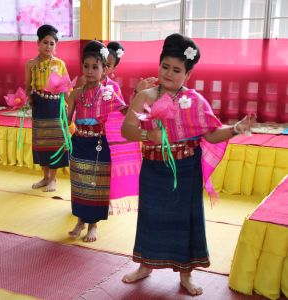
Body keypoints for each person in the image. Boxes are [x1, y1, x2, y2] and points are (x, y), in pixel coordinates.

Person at [120, 33, 255, 296]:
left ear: (188, 75)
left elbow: (211, 133)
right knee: (150, 217)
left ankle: (186, 274)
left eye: (176, 70)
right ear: (158, 65)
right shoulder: (145, 96)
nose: (169, 73)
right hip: (153, 168)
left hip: (186, 169)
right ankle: (145, 265)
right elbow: (127, 129)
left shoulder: (195, 100)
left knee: (187, 221)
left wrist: (236, 129)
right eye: (165, 66)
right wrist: (148, 135)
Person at [66, 40, 127, 242]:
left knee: (95, 185)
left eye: (95, 67)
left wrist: (140, 95)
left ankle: (93, 225)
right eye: (86, 66)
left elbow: (125, 111)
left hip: (100, 145)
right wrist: (61, 99)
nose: (90, 71)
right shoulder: (76, 93)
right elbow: (66, 120)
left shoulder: (109, 93)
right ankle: (80, 221)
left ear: (104, 70)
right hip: (79, 142)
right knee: (79, 184)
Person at [25, 24, 69, 192]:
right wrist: (27, 99)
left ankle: (53, 179)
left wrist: (69, 109)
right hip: (39, 106)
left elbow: (67, 88)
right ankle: (45, 177)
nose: (48, 46)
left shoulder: (60, 64)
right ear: (38, 43)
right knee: (41, 143)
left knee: (54, 143)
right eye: (45, 42)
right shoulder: (30, 64)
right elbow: (27, 87)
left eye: (52, 44)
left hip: (55, 106)